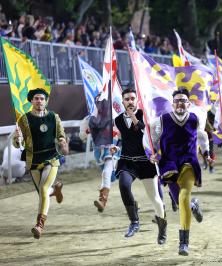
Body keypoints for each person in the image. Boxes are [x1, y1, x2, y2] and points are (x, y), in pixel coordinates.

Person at [150, 88, 210, 256]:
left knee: (183, 197)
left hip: (189, 163)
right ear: (172, 103)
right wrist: (152, 154)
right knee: (181, 203)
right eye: (177, 101)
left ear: (188, 103)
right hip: (168, 164)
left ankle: (184, 243)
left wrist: (206, 153)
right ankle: (194, 205)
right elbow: (151, 140)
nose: (180, 103)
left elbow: (203, 136)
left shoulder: (195, 118)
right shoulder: (161, 120)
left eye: (183, 100)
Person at [113, 88, 166, 244]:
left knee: (155, 198)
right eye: (127, 99)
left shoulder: (145, 115)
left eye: (132, 98)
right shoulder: (117, 120)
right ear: (122, 102)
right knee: (123, 185)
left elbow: (144, 130)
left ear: (137, 100)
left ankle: (162, 227)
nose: (130, 101)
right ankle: (134, 221)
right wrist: (116, 146)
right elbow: (124, 138)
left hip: (145, 161)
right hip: (127, 161)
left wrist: (133, 117)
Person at [13, 88, 68, 239]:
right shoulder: (23, 120)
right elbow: (18, 144)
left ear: (46, 101)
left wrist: (63, 141)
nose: (39, 101)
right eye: (36, 98)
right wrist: (17, 139)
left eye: (42, 99)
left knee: (43, 189)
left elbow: (61, 134)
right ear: (31, 101)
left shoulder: (53, 117)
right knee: (43, 194)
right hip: (33, 159)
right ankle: (55, 191)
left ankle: (39, 225)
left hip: (51, 157)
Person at [79, 95, 119, 213]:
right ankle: (132, 202)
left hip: (113, 148)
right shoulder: (88, 119)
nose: (102, 104)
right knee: (112, 176)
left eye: (105, 102)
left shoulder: (115, 118)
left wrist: (115, 132)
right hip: (98, 151)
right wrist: (87, 131)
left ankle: (102, 200)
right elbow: (82, 136)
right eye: (99, 102)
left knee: (106, 173)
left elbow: (122, 134)